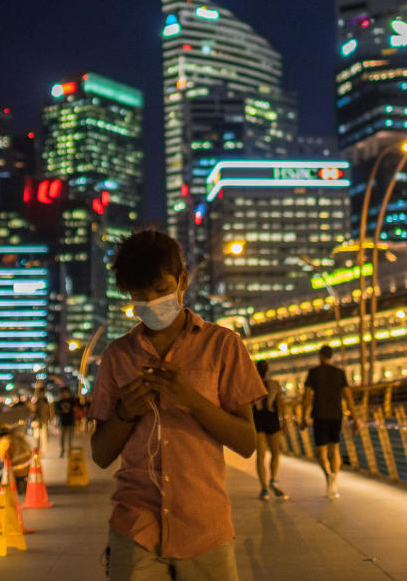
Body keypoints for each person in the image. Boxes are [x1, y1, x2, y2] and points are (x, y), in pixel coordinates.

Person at [90, 229, 265, 580]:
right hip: (135, 525)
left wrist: (190, 399)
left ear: (182, 280)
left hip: (205, 526)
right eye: (141, 296)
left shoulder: (223, 346)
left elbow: (247, 442)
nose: (152, 302)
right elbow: (100, 454)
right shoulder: (117, 356)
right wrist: (126, 412)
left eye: (161, 290)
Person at [301, 345, 358, 499]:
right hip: (335, 416)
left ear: (320, 356)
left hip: (320, 416)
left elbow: (306, 396)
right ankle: (332, 479)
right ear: (331, 356)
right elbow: (348, 396)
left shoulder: (313, 373)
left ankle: (330, 479)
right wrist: (355, 418)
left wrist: (303, 417)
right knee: (334, 449)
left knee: (321, 453)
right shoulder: (339, 373)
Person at [252, 360, 287, 500]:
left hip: (258, 419)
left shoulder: (251, 384)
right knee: (275, 452)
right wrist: (283, 421)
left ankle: (264, 488)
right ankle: (272, 479)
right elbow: (280, 404)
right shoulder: (275, 384)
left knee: (260, 455)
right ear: (267, 370)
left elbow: (248, 406)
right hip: (272, 419)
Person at [0, 422, 33, 496]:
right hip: (29, 466)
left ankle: (2, 490)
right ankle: (20, 483)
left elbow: (6, 460)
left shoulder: (4, 443)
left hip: (16, 468)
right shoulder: (18, 438)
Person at [56, 385, 78, 456]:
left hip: (71, 421)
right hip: (63, 422)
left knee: (70, 438)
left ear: (67, 392)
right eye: (62, 393)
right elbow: (58, 412)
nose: (63, 394)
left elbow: (75, 410)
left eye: (64, 392)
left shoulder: (72, 400)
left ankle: (70, 451)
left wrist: (76, 421)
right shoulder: (60, 402)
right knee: (62, 438)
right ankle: (62, 450)